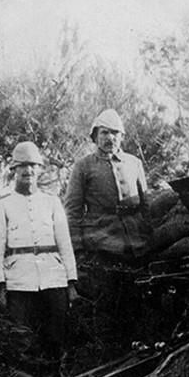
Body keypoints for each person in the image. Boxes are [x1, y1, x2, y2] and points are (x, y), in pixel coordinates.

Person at [0, 141, 78, 377]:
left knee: (56, 332)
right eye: (22, 166)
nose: (28, 171)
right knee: (22, 337)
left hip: (53, 277)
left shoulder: (51, 202)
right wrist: (0, 286)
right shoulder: (3, 204)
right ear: (14, 170)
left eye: (33, 166)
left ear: (39, 170)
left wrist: (71, 281)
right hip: (19, 280)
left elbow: (65, 243)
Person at [63, 108, 153, 347]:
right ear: (95, 136)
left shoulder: (133, 163)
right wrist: (79, 250)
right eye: (104, 133)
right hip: (101, 244)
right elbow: (72, 211)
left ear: (121, 136)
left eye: (115, 133)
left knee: (140, 299)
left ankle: (143, 347)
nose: (109, 138)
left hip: (135, 244)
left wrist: (146, 234)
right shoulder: (83, 167)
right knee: (108, 305)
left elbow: (146, 204)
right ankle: (112, 354)